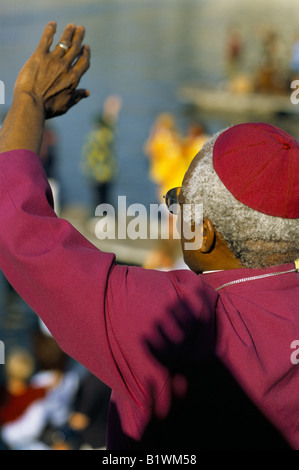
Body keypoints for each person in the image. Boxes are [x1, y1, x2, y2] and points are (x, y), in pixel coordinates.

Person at [0, 22, 298, 450]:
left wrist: (28, 99)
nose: (172, 209)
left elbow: (18, 229)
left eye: (178, 200)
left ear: (206, 234)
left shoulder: (176, 321)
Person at [82, 95, 122, 208]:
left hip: (102, 172)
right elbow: (97, 151)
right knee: (101, 200)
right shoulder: (102, 133)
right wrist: (110, 112)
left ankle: (99, 218)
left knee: (102, 199)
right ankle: (98, 219)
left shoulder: (102, 130)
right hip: (100, 173)